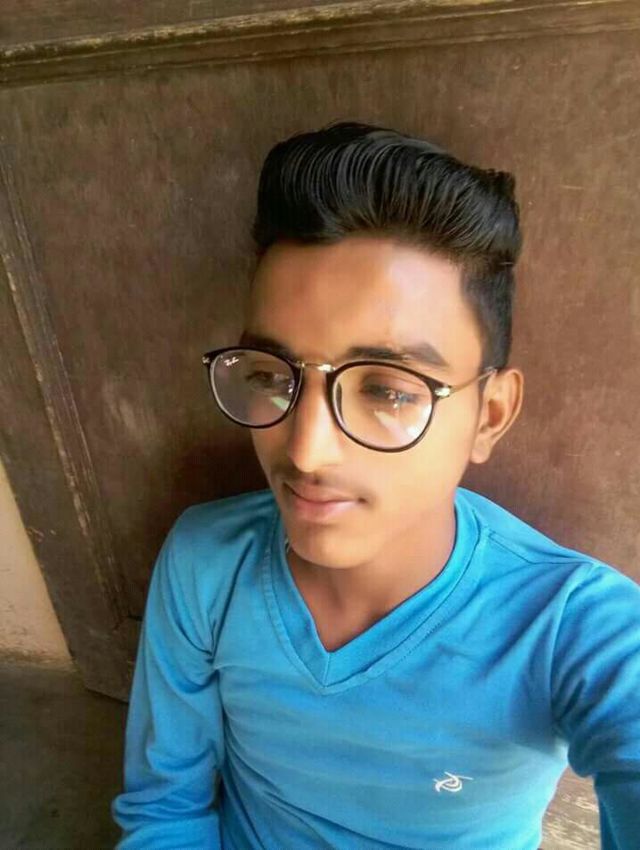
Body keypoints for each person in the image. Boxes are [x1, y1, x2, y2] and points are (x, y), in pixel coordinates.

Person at [111, 120, 640, 849]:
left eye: (388, 390)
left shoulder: (573, 631)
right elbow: (165, 809)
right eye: (270, 376)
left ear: (489, 415)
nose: (306, 449)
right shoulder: (208, 563)